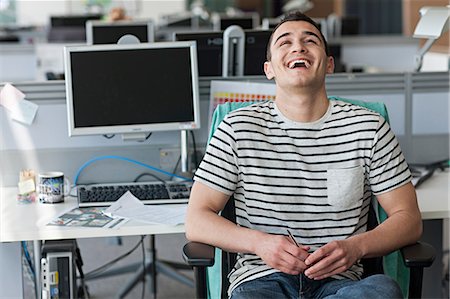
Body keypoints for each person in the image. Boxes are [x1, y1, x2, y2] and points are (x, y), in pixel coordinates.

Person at [185, 11, 422, 299]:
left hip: (341, 283)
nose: (298, 47)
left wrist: (356, 247)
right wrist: (261, 244)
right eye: (285, 42)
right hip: (261, 281)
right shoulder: (237, 128)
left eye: (310, 40)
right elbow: (197, 219)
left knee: (383, 291)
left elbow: (408, 218)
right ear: (269, 68)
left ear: (329, 64)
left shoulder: (368, 127)